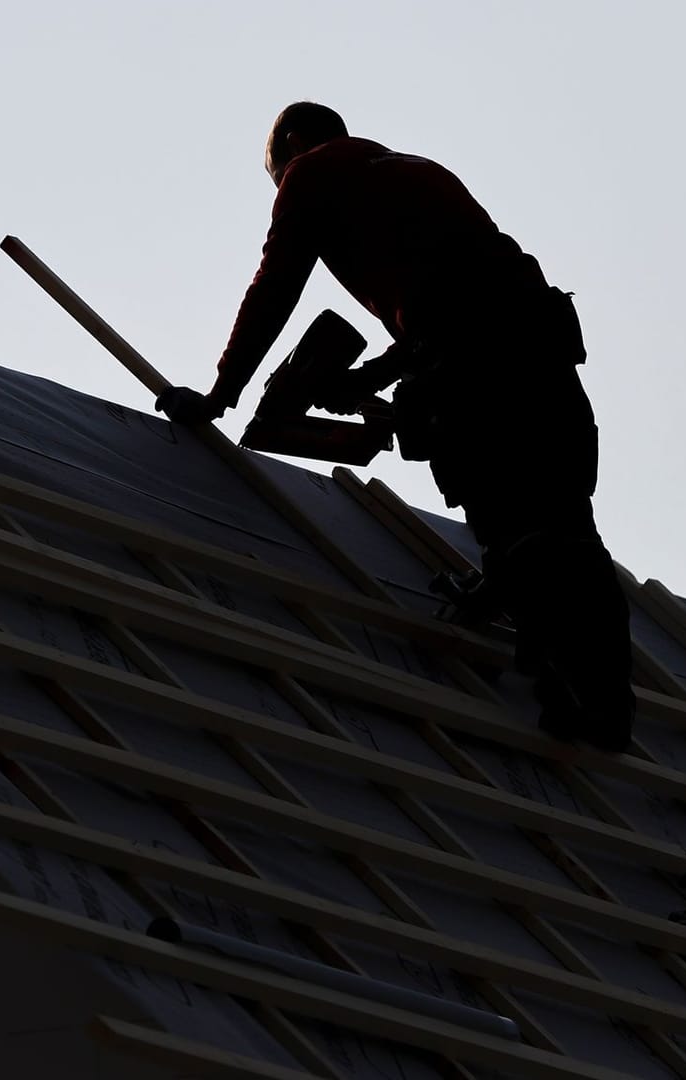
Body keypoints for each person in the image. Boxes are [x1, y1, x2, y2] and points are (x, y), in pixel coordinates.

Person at [155, 102, 634, 750]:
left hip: (476, 362)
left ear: (294, 143)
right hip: (538, 345)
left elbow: (278, 281)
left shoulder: (312, 171)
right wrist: (369, 381)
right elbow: (451, 302)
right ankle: (604, 695)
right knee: (562, 514)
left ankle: (572, 707)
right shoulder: (413, 174)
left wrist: (221, 392)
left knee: (514, 516)